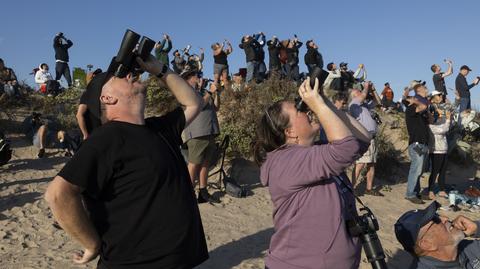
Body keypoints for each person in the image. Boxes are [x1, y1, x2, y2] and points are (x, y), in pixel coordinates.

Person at [44, 55, 208, 268]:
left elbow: (193, 102)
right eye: (120, 76)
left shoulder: (159, 128)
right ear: (107, 98)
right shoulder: (106, 138)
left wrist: (159, 68)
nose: (130, 75)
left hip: (179, 260)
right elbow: (57, 194)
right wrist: (92, 244)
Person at [254, 77, 371, 269]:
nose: (307, 109)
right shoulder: (285, 162)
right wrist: (317, 105)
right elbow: (347, 148)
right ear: (289, 131)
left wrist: (325, 104)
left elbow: (362, 140)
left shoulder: (313, 152)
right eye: (300, 110)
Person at [395, 201, 480, 269]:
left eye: (437, 215)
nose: (445, 218)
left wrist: (477, 228)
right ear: (427, 244)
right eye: (436, 220)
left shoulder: (466, 247)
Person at [182, 70, 221, 203]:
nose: (200, 78)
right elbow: (199, 106)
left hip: (210, 131)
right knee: (193, 164)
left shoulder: (203, 92)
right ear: (188, 79)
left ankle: (203, 192)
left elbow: (216, 108)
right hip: (197, 133)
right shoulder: (186, 92)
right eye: (197, 76)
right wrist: (210, 92)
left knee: (205, 163)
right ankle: (187, 193)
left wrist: (217, 93)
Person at [349, 81, 384, 196]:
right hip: (363, 137)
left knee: (371, 164)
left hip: (372, 138)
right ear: (354, 95)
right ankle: (351, 188)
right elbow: (363, 95)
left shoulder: (364, 105)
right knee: (360, 164)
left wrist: (373, 90)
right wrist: (366, 87)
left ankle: (369, 188)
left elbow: (379, 102)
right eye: (358, 91)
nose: (361, 92)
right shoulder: (354, 104)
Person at [403, 82, 430, 204]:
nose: (427, 89)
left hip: (423, 143)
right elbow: (423, 106)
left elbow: (430, 120)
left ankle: (416, 192)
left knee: (421, 170)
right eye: (425, 88)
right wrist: (415, 101)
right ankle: (410, 194)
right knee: (416, 169)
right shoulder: (410, 109)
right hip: (416, 144)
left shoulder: (419, 111)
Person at [427, 90, 451, 200]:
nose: (441, 96)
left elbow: (447, 127)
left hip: (444, 148)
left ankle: (441, 189)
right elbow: (442, 130)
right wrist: (448, 120)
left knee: (443, 170)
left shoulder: (440, 112)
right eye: (439, 95)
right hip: (435, 149)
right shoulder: (430, 117)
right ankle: (430, 190)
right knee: (435, 171)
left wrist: (448, 116)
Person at [76, 71, 103, 140]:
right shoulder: (88, 93)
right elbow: (79, 115)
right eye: (95, 77)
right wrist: (85, 135)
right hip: (92, 135)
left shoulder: (101, 94)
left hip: (101, 133)